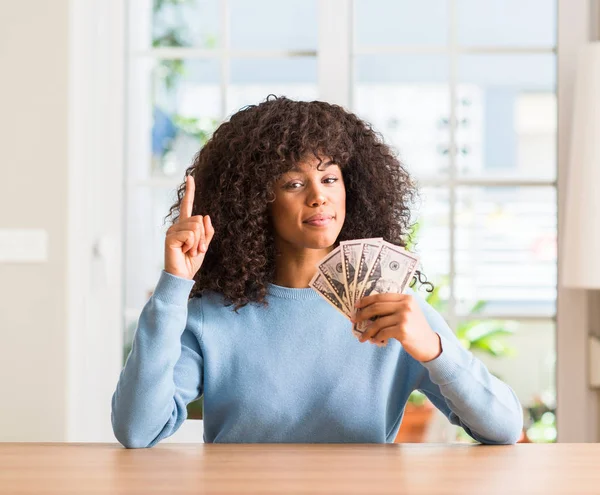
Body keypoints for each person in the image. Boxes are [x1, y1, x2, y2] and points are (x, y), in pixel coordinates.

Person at [111, 95, 523, 448]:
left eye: (329, 178)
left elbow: (504, 428)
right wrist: (174, 285)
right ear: (256, 200)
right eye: (293, 183)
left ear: (352, 190)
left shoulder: (393, 313)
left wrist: (433, 348)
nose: (318, 197)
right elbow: (137, 430)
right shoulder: (209, 315)